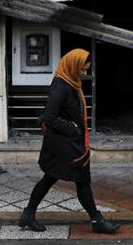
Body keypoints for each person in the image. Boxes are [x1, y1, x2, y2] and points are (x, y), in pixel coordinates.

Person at [18, 48, 121, 233]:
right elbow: (49, 117)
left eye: (86, 69)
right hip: (63, 145)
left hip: (67, 143)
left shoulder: (71, 82)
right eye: (83, 69)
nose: (84, 73)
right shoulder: (60, 86)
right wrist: (73, 129)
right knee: (81, 180)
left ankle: (28, 214)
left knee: (51, 178)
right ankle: (97, 221)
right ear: (73, 65)